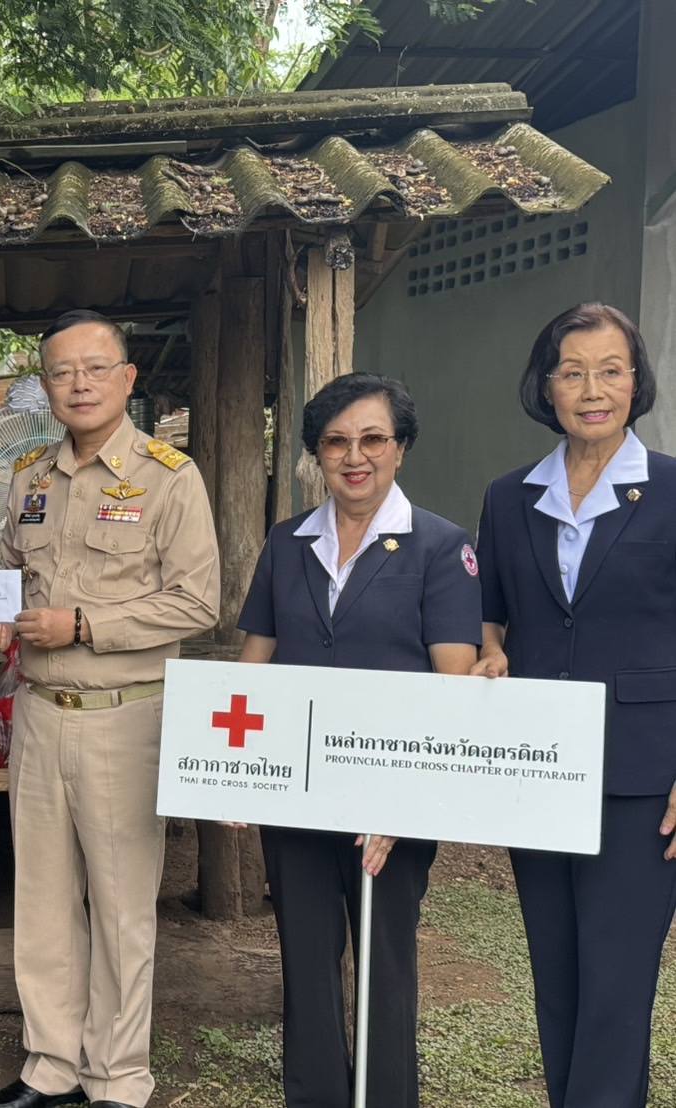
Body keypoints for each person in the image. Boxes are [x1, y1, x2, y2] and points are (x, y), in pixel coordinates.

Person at [0, 309, 220, 1108]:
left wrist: (83, 625)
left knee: (119, 906)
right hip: (40, 710)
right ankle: (51, 1066)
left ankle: (118, 1077)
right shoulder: (29, 479)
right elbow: (11, 581)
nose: (77, 383)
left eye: (93, 367)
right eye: (61, 371)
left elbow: (197, 602)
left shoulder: (167, 475)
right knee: (40, 901)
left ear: (126, 378)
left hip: (128, 713)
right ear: (45, 385)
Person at [234, 373, 481, 1108]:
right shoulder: (286, 544)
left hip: (389, 810)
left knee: (384, 970)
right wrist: (232, 773)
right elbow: (254, 665)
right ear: (315, 453)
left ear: (399, 449)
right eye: (336, 441)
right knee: (305, 969)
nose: (354, 456)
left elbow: (454, 686)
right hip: (298, 798)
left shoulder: (441, 547)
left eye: (372, 439)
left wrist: (407, 805)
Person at [471, 303, 676, 1108]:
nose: (592, 390)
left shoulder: (671, 490)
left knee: (617, 990)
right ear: (545, 386)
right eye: (572, 372)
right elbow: (488, 610)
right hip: (536, 769)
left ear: (635, 380)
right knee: (557, 980)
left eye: (610, 370)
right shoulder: (508, 497)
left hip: (640, 780)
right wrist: (488, 649)